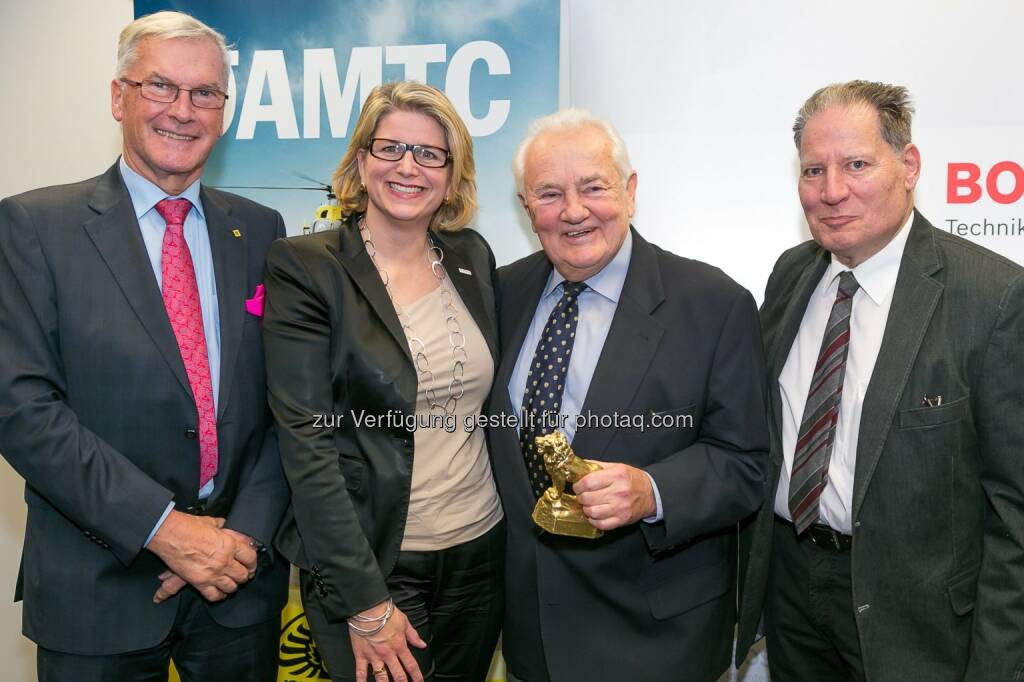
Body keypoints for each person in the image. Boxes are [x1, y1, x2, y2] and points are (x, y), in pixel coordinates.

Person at [0, 10, 290, 682]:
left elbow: (287, 401)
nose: (183, 111)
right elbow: (21, 409)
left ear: (224, 110)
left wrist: (241, 537)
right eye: (160, 86)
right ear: (117, 96)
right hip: (98, 584)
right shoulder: (34, 227)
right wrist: (164, 529)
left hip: (237, 583)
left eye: (205, 94)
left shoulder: (261, 228)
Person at [736, 80, 1024, 681]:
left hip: (916, 620)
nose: (832, 191)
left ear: (909, 165)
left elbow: (1014, 512)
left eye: (856, 165)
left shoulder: (993, 297)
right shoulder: (791, 275)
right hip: (791, 589)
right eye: (814, 170)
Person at [488, 108, 770, 682]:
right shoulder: (498, 294)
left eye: (593, 187)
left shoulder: (713, 304)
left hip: (659, 641)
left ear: (630, 190)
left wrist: (652, 491)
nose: (573, 211)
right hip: (530, 637)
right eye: (549, 193)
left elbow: (747, 464)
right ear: (525, 208)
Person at [263, 81, 504, 682]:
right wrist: (364, 601)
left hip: (481, 552)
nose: (408, 167)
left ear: (452, 174)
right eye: (391, 147)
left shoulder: (472, 256)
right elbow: (307, 447)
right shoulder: (307, 267)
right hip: (375, 565)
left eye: (429, 154)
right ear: (362, 159)